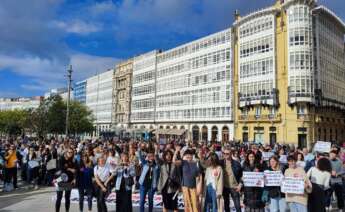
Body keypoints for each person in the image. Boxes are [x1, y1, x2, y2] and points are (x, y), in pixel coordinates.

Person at [174, 146, 200, 212]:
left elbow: (197, 177)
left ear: (192, 156)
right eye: (187, 156)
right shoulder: (183, 162)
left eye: (190, 156)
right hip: (185, 186)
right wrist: (176, 152)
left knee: (195, 204)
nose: (189, 158)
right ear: (185, 156)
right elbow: (174, 161)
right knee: (187, 204)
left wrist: (198, 188)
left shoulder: (195, 164)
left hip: (193, 187)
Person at [138, 143, 159, 212]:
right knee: (141, 201)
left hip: (151, 186)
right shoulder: (145, 163)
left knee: (150, 201)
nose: (150, 157)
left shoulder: (156, 166)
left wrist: (156, 150)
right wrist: (140, 147)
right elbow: (140, 155)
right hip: (143, 184)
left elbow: (157, 159)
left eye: (151, 156)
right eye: (149, 156)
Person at [220, 147, 242, 212]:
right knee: (226, 206)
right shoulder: (221, 163)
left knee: (237, 206)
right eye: (224, 153)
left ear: (231, 154)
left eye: (227, 153)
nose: (226, 155)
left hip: (234, 187)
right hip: (225, 187)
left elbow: (242, 175)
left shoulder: (236, 163)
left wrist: (240, 184)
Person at [55, 148, 77, 212]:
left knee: (67, 198)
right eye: (69, 152)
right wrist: (70, 169)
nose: (70, 153)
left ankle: (67, 210)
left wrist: (74, 178)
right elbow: (61, 169)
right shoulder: (61, 159)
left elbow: (75, 170)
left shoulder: (73, 160)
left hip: (69, 181)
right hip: (60, 180)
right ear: (66, 153)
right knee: (59, 198)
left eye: (71, 152)